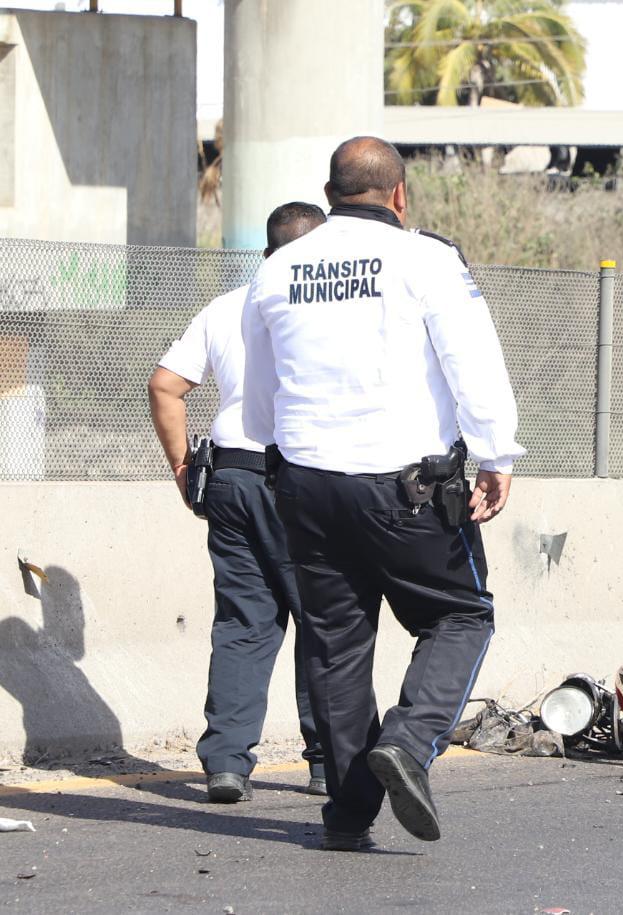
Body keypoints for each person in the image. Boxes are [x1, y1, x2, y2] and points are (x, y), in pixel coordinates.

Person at [241, 136, 523, 852]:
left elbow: (258, 400)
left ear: (331, 192)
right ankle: (409, 738)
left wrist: (293, 458)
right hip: (405, 489)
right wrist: (495, 453)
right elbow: (472, 358)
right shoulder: (425, 257)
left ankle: (347, 810)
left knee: (335, 647)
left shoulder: (278, 269)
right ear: (399, 195)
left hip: (303, 486)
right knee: (461, 614)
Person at [147, 202, 328, 803]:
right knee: (324, 623)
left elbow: (165, 385)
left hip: (229, 478)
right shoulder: (324, 307)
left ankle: (225, 763)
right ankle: (329, 763)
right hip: (301, 482)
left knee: (243, 624)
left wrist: (182, 470)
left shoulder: (227, 305)